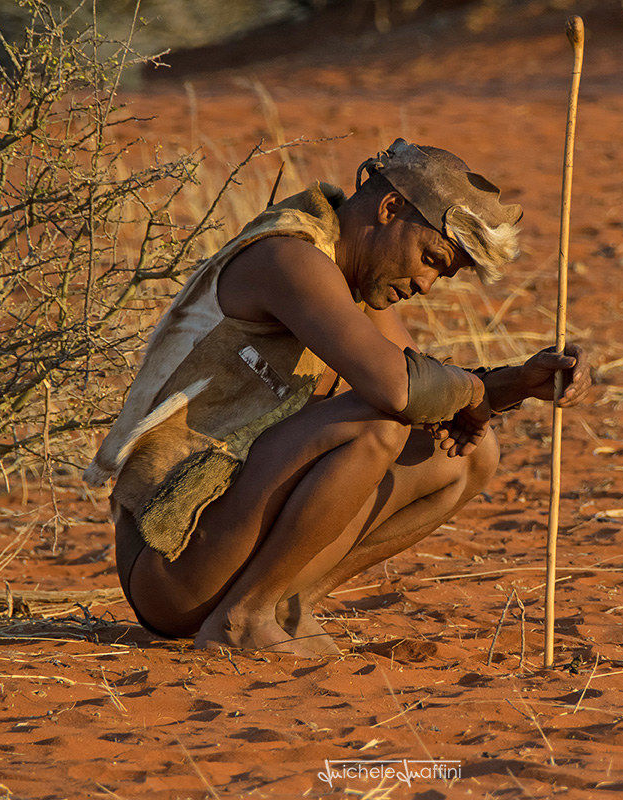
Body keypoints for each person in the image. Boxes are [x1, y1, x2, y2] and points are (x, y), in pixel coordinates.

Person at [83, 139, 592, 656]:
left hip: (220, 534)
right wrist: (482, 388)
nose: (426, 283)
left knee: (468, 457)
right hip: (168, 556)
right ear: (390, 208)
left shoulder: (352, 280)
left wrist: (513, 385)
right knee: (378, 422)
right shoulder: (288, 257)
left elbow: (424, 386)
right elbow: (399, 388)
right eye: (431, 259)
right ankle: (243, 618)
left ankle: (287, 606)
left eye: (443, 273)